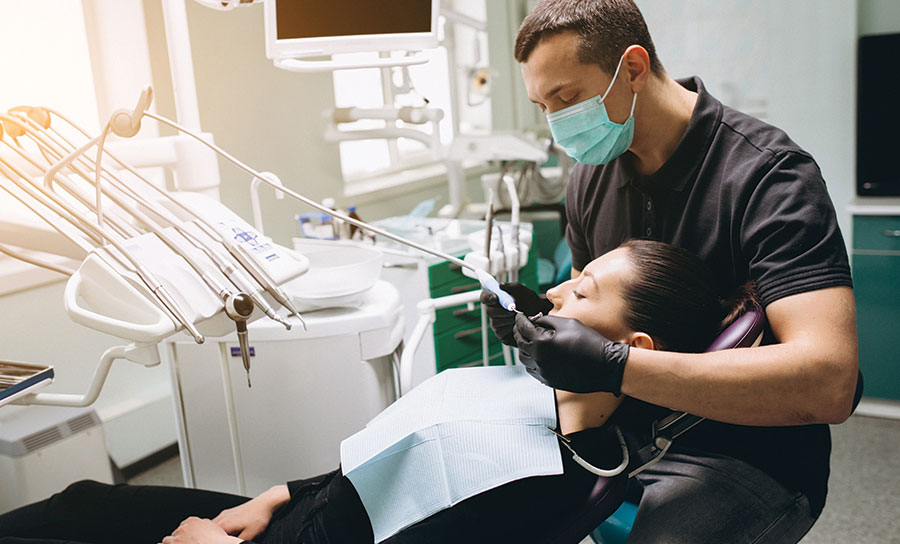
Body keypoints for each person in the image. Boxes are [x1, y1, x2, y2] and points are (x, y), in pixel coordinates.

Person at [1, 240, 756, 544]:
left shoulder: (544, 480)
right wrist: (285, 490)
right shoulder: (537, 401)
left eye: (583, 293)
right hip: (293, 519)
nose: (556, 294)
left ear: (630, 353)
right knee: (79, 506)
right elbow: (388, 469)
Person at [482, 1, 859, 542]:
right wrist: (540, 333)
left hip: (751, 449)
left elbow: (828, 383)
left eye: (567, 99)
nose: (558, 123)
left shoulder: (769, 179)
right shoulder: (590, 182)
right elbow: (603, 328)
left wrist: (614, 365)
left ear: (633, 67)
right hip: (630, 426)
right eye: (544, 105)